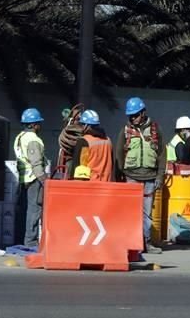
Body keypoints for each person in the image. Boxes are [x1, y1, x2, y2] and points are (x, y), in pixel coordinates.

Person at [114, 97, 166, 254]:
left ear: (143, 113)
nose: (132, 118)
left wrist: (159, 176)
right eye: (130, 115)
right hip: (131, 177)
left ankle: (147, 243)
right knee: (130, 212)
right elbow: (119, 155)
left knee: (147, 214)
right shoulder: (125, 131)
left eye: (135, 115)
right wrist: (120, 177)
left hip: (150, 177)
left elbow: (162, 153)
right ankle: (131, 244)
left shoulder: (156, 130)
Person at [14, 107, 48, 249]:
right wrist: (44, 180)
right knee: (34, 210)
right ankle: (31, 242)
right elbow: (36, 162)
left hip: (23, 178)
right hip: (33, 179)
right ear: (33, 125)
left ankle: (22, 239)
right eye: (38, 123)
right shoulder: (33, 139)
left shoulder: (20, 137)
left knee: (24, 210)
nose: (40, 126)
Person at [69, 110, 114, 183]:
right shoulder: (108, 140)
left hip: (90, 186)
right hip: (106, 185)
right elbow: (112, 165)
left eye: (82, 124)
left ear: (87, 125)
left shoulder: (84, 142)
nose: (81, 127)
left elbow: (79, 168)